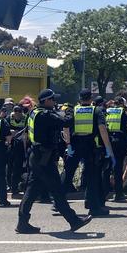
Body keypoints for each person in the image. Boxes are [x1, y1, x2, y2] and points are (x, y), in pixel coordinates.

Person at [17, 89, 91, 234]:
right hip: (44, 158)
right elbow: (66, 122)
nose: (55, 102)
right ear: (46, 101)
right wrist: (70, 111)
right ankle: (74, 220)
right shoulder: (45, 115)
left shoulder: (34, 112)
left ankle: (22, 222)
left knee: (31, 191)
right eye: (52, 100)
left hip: (37, 156)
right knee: (56, 190)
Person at [62, 89, 115, 216]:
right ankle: (94, 207)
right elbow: (102, 129)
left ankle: (59, 203)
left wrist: (68, 144)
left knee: (68, 173)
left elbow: (66, 127)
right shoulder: (96, 110)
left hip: (75, 144)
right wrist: (108, 148)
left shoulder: (73, 110)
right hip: (90, 145)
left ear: (79, 98)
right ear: (91, 99)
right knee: (92, 177)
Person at [105, 96, 127, 202]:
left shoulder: (107, 111)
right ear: (121, 104)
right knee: (117, 170)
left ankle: (105, 193)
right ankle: (118, 194)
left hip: (107, 143)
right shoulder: (122, 113)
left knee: (106, 169)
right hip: (119, 144)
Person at [6, 105, 27, 195]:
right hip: (10, 145)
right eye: (16, 111)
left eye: (19, 111)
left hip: (21, 145)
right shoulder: (8, 118)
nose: (17, 113)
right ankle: (9, 185)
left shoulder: (25, 118)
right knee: (9, 166)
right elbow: (4, 130)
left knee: (17, 167)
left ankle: (15, 186)